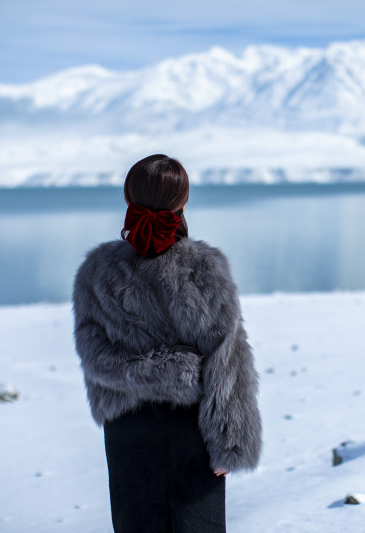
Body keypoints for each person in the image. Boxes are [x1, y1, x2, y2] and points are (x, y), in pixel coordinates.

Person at [72, 154, 263, 533]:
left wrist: (131, 377)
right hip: (192, 426)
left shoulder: (96, 269)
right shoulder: (205, 268)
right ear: (182, 202)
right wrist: (231, 441)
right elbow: (227, 357)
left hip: (127, 425)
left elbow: (91, 351)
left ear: (130, 199)